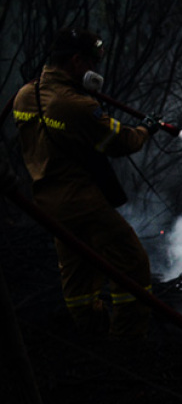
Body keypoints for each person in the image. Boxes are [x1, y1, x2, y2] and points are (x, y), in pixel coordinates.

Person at [12, 27, 158, 341]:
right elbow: (120, 141)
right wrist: (147, 129)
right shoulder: (76, 105)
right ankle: (128, 341)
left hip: (48, 204)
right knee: (132, 265)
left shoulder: (24, 96)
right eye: (93, 62)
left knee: (77, 277)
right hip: (82, 201)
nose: (96, 70)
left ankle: (91, 337)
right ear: (78, 61)